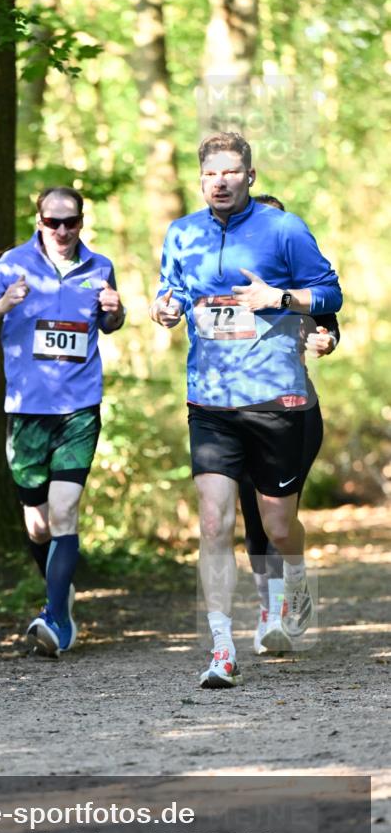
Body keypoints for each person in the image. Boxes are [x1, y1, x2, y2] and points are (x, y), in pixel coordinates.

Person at [149, 132, 343, 689]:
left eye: (232, 172)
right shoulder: (181, 232)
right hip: (209, 401)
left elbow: (329, 295)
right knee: (213, 522)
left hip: (275, 400)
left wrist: (279, 298)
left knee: (279, 526)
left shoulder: (284, 229)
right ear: (201, 178)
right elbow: (175, 291)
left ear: (250, 176)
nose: (222, 181)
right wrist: (165, 307)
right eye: (212, 174)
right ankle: (222, 648)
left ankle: (297, 576)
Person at [0, 187, 125, 657]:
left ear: (81, 222)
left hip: (79, 408)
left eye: (69, 222)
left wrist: (115, 312)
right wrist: (3, 305)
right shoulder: (12, 265)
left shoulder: (100, 266)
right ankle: (60, 593)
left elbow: (110, 323)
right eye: (52, 222)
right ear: (38, 221)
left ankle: (56, 618)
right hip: (26, 410)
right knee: (37, 526)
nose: (61, 231)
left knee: (65, 511)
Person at [242, 195, 340, 654]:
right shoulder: (223, 278)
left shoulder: (301, 282)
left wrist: (325, 340)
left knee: (279, 520)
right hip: (231, 412)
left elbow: (329, 325)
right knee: (253, 518)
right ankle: (270, 613)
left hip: (293, 411)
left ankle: (294, 585)